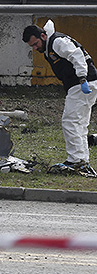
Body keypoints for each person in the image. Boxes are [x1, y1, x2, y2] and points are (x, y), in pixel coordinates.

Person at [22, 20, 97, 174]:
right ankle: (81, 161)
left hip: (82, 84)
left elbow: (77, 56)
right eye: (32, 46)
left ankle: (76, 161)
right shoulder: (52, 44)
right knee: (79, 123)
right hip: (84, 84)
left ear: (43, 35)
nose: (36, 48)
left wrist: (82, 78)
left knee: (71, 122)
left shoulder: (57, 42)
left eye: (36, 44)